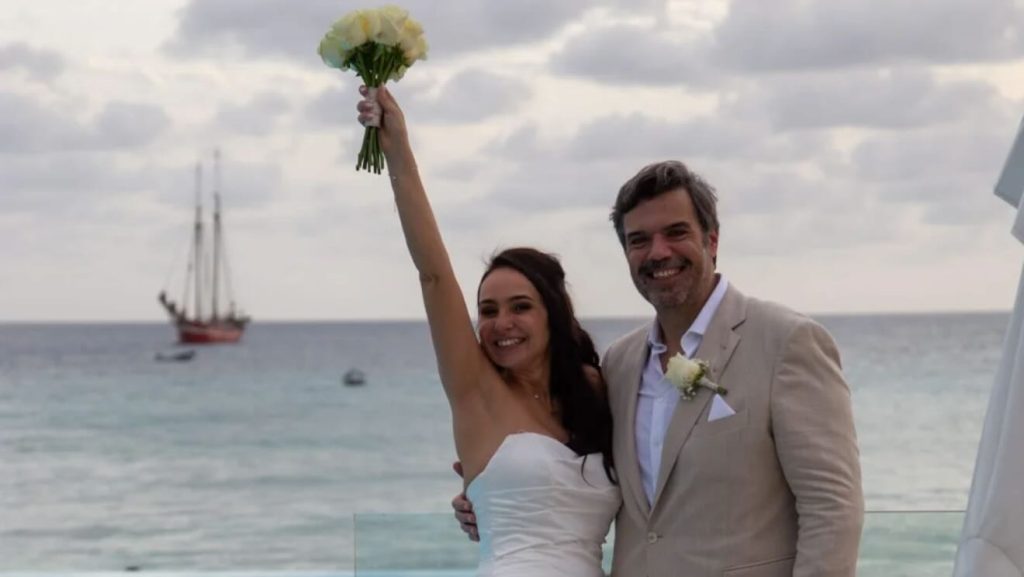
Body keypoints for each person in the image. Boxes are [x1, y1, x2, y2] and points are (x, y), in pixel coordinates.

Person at [455, 160, 865, 576]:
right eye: (639, 240)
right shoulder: (618, 366)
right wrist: (489, 496)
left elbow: (832, 508)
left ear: (712, 240)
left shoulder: (785, 342)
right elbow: (570, 476)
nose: (658, 252)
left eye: (676, 232)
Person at [356, 85, 621, 577]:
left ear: (553, 313)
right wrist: (398, 150)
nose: (501, 324)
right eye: (488, 310)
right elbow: (434, 275)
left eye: (520, 307)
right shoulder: (475, 390)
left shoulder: (596, 391)